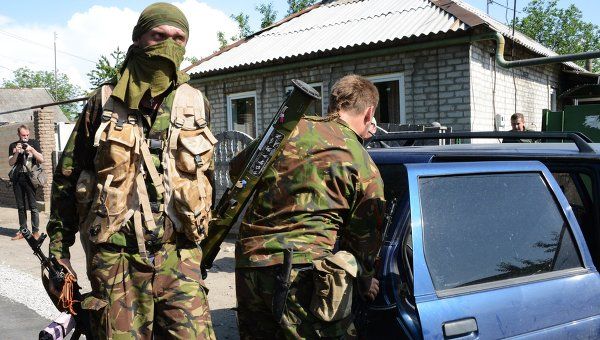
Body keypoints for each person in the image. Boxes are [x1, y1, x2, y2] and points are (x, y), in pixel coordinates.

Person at [46, 3, 216, 339]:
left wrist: (203, 241)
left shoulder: (196, 102)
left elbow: (205, 180)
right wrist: (58, 252)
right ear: (138, 39)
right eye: (159, 35)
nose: (169, 45)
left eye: (178, 38)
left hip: (177, 256)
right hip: (116, 257)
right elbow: (67, 176)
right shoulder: (104, 102)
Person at [233, 74, 386, 339]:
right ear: (369, 112)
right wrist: (364, 279)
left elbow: (239, 171)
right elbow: (365, 235)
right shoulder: (361, 160)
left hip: (250, 266)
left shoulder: (289, 128)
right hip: (300, 274)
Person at [8, 125, 43, 240]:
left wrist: (32, 149)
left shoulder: (34, 143)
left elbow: (41, 159)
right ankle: (23, 231)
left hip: (30, 178)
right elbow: (10, 163)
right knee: (21, 207)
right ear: (19, 134)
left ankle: (35, 232)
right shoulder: (13, 145)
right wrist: (17, 153)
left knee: (33, 206)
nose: (26, 137)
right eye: (23, 135)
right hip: (17, 178)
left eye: (27, 135)